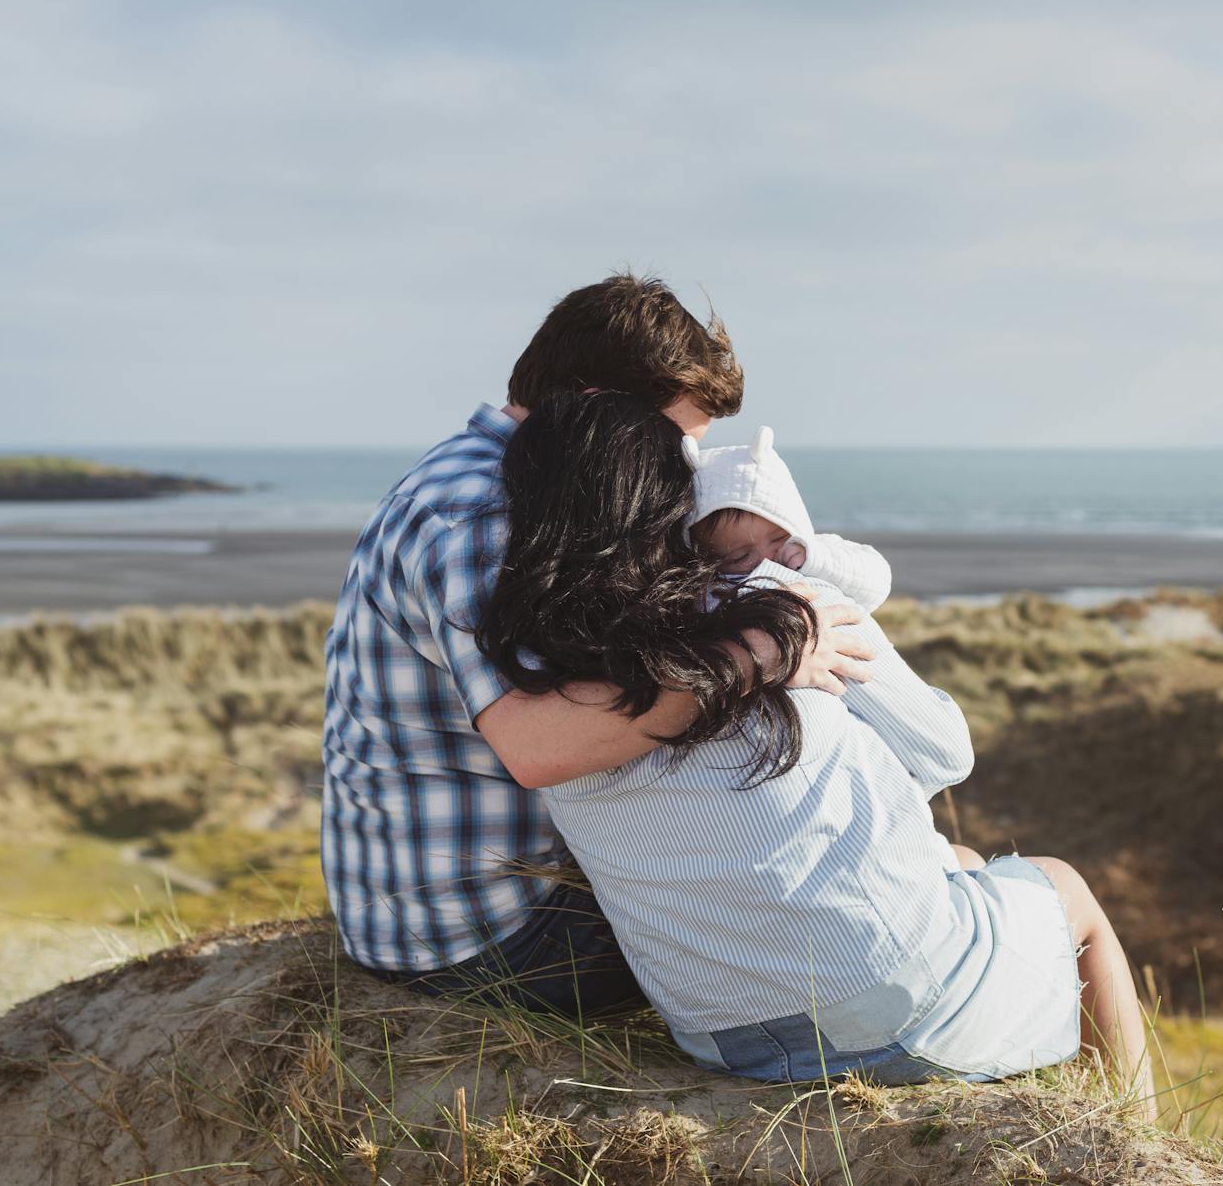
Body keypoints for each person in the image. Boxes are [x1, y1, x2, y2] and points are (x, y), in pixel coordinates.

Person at [489, 391, 1158, 1115]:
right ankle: (1143, 1142)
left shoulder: (531, 679)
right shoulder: (776, 605)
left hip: (722, 1034)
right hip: (894, 1002)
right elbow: (942, 753)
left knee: (961, 865)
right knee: (1067, 891)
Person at [319, 275, 875, 1015]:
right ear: (596, 406)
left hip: (437, 913)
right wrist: (754, 656)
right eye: (674, 441)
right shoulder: (484, 512)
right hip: (496, 934)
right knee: (850, 927)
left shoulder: (485, 479)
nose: (682, 471)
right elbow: (539, 744)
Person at [683, 424, 893, 611]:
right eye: (741, 556)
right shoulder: (713, 593)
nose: (767, 558)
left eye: (778, 538)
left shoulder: (819, 552)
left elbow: (877, 582)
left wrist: (816, 559)